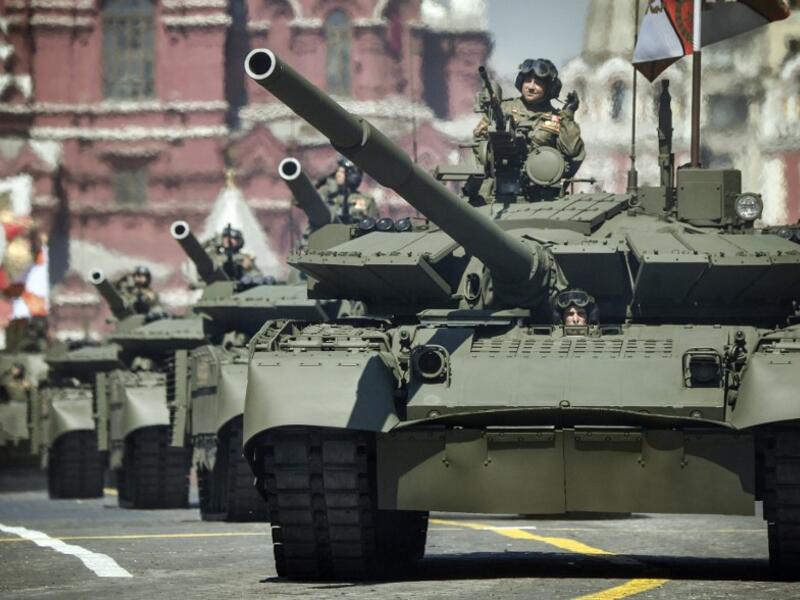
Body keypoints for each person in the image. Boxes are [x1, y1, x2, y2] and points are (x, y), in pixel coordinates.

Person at [474, 58, 585, 180]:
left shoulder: (559, 119)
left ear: (549, 87)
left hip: (541, 185)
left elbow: (571, 151)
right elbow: (479, 142)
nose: (531, 87)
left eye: (538, 83)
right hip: (499, 180)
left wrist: (568, 114)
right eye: (527, 81)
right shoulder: (503, 109)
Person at [316, 158, 378, 223]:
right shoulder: (326, 194)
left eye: (342, 172)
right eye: (338, 171)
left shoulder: (367, 200)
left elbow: (372, 225)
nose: (338, 174)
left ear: (352, 176)